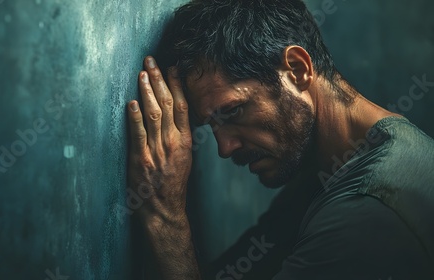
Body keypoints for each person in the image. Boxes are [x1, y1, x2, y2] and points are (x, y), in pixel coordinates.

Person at [125, 0, 434, 279]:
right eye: (210, 127)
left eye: (232, 111)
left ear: (297, 70)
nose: (224, 148)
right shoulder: (325, 172)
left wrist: (167, 221)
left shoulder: (367, 208)